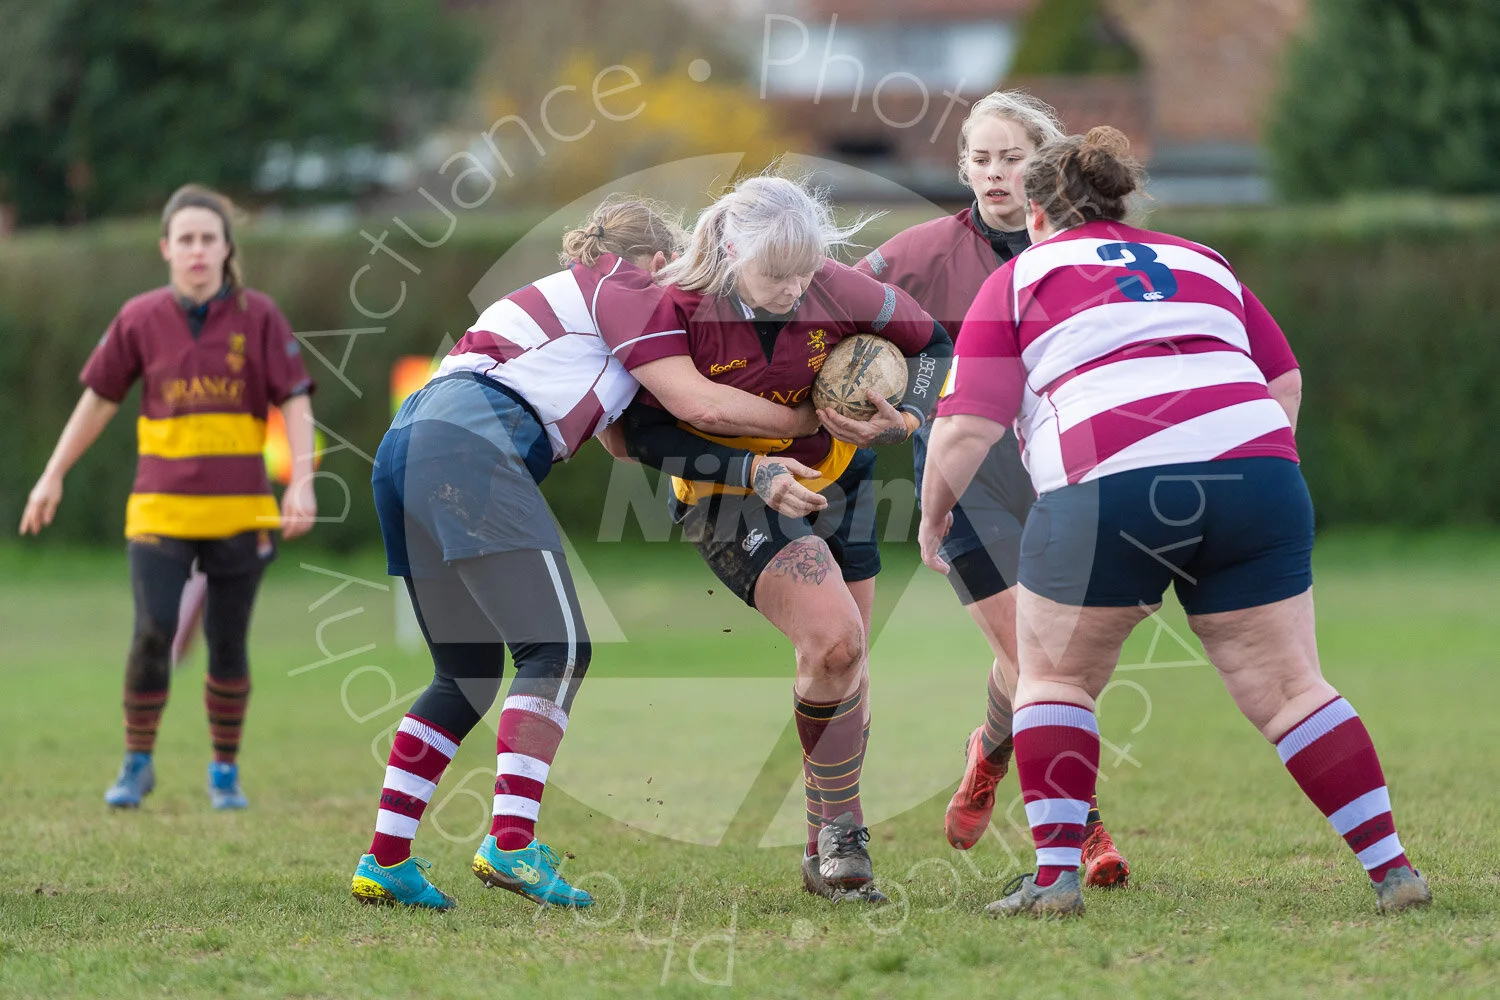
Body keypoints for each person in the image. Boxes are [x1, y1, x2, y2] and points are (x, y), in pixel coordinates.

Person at [919, 127, 1429, 917]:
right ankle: (1392, 869)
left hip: (1110, 487)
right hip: (1256, 475)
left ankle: (1055, 879)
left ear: (1039, 212)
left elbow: (965, 429)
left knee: (1054, 678)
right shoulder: (1202, 260)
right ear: (1120, 199)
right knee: (1293, 689)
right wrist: (1249, 469)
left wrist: (932, 516)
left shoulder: (1022, 275)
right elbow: (1283, 379)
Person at [351, 196, 827, 911]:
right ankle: (511, 843)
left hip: (409, 445)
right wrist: (809, 420)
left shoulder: (593, 308)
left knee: (467, 674)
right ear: (663, 261)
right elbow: (699, 406)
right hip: (471, 442)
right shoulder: (627, 286)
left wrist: (751, 470)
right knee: (560, 649)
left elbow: (631, 439)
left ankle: (385, 860)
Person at [617, 175, 953, 904]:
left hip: (841, 480)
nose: (797, 288)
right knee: (835, 641)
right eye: (778, 273)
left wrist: (907, 418)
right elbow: (638, 431)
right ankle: (841, 831)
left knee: (845, 663)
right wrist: (750, 467)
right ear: (732, 248)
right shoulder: (672, 304)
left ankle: (823, 841)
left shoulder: (833, 286)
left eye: (808, 271)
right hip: (728, 492)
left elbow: (933, 346)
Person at [856, 91, 1131, 885]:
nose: (994, 173)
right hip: (963, 478)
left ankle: (989, 750)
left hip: (1063, 474)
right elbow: (826, 313)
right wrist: (857, 403)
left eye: (1012, 158)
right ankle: (1082, 829)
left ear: (1043, 165)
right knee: (1036, 656)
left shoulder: (1082, 253)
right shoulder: (918, 252)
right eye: (980, 158)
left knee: (1049, 661)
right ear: (962, 167)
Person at [19, 183, 318, 811]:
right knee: (153, 629)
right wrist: (53, 473)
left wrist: (302, 480)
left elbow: (294, 398)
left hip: (242, 511)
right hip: (159, 510)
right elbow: (99, 398)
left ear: (225, 247)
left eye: (209, 239)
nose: (198, 250)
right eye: (186, 239)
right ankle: (136, 764)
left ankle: (224, 773)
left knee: (228, 641)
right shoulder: (138, 318)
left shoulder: (259, 315)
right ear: (166, 248)